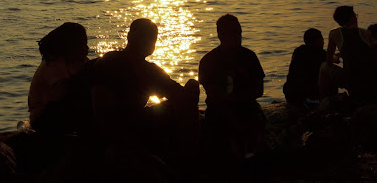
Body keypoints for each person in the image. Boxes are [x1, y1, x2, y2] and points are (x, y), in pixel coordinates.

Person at [89, 18, 199, 162]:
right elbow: (102, 113)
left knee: (187, 96)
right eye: (146, 36)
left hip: (135, 124)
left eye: (152, 37)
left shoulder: (150, 71)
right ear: (130, 36)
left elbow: (178, 94)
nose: (149, 41)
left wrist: (191, 90)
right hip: (118, 132)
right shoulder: (110, 63)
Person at [198, 14, 266, 166]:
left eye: (239, 32)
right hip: (219, 109)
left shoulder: (249, 56)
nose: (238, 37)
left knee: (255, 122)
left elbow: (259, 89)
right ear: (221, 35)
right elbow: (213, 94)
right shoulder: (209, 60)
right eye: (233, 33)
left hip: (247, 106)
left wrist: (240, 99)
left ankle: (250, 156)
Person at [28, 22, 92, 134]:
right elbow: (61, 95)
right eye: (82, 45)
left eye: (86, 44)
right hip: (43, 117)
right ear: (69, 47)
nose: (86, 48)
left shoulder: (79, 61)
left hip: (63, 111)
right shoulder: (54, 64)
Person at [320, 5, 373, 102]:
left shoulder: (335, 34)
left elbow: (329, 61)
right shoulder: (367, 33)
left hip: (350, 79)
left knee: (324, 66)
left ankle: (324, 99)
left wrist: (336, 58)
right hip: (369, 78)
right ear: (353, 17)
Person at [283, 28, 326, 107]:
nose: (323, 42)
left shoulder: (299, 51)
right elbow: (332, 59)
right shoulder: (320, 54)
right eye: (322, 39)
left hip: (290, 92)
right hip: (307, 93)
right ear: (317, 40)